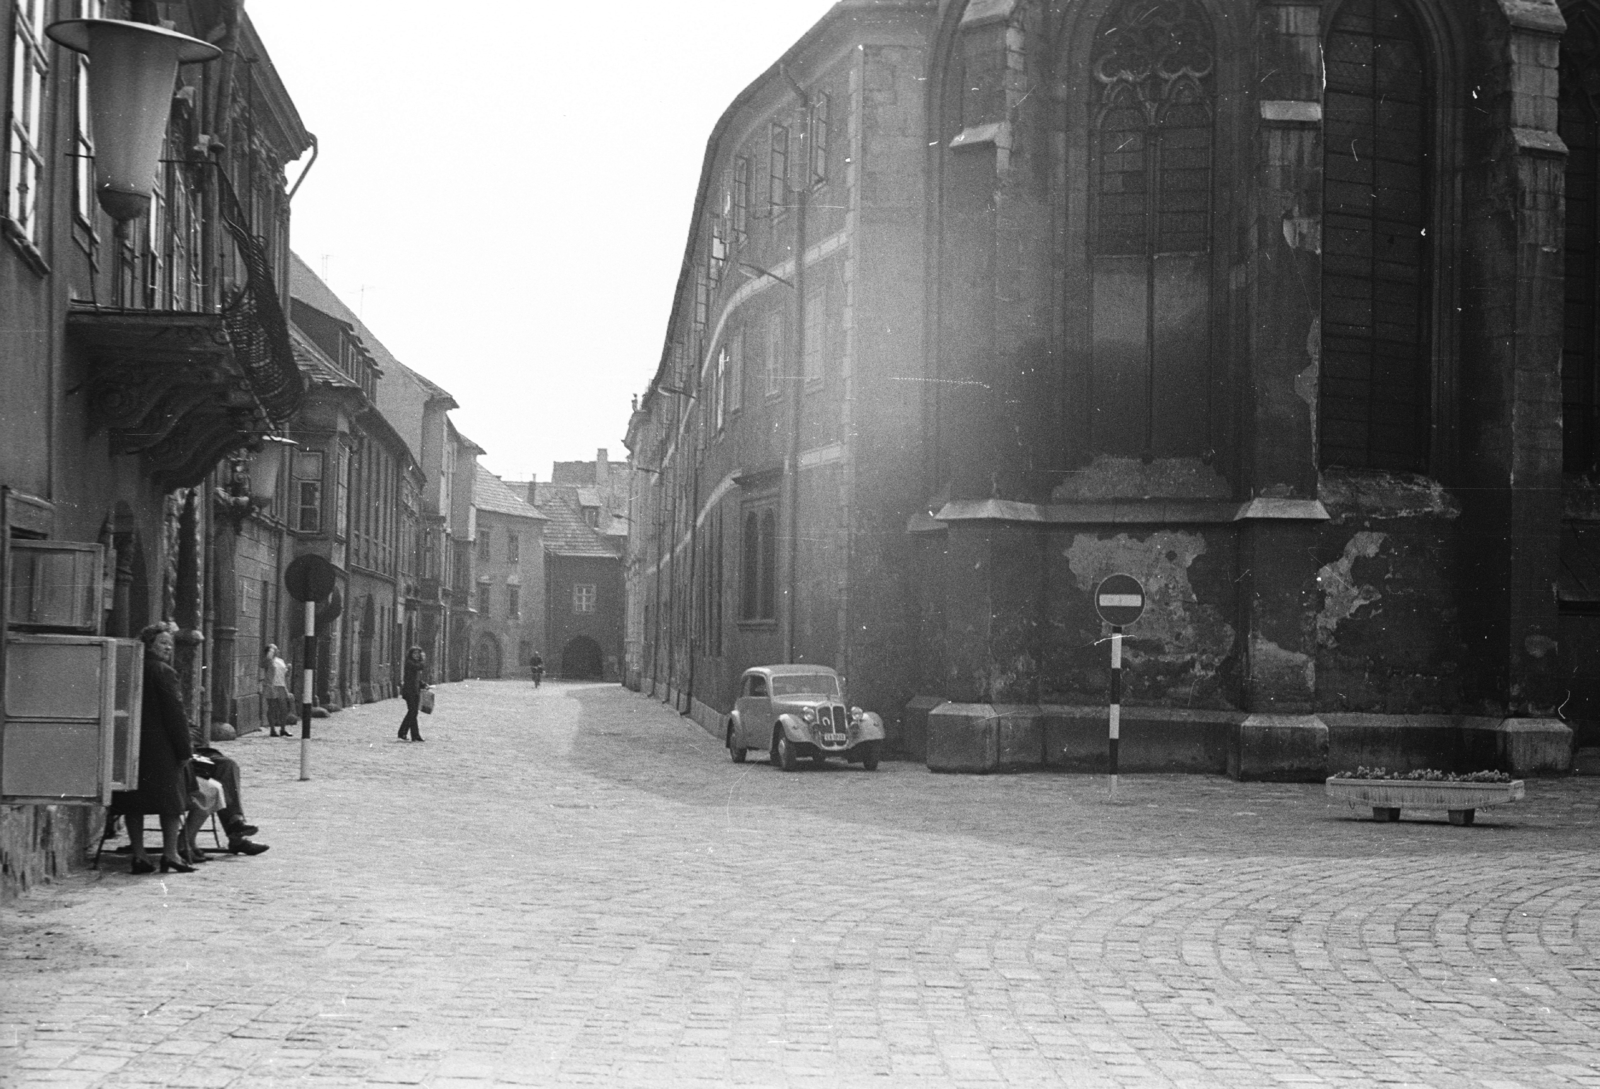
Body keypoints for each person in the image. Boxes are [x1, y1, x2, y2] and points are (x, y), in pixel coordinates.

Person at [109, 622, 196, 874]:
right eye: (163, 643)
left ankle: (139, 855)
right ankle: (170, 854)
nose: (168, 648)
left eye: (170, 643)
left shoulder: (130, 667)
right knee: (171, 801)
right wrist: (184, 750)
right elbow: (175, 714)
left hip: (130, 743)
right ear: (149, 645)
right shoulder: (163, 671)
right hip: (160, 747)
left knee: (132, 799)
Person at [398, 645, 428, 742]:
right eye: (415, 653)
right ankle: (403, 732)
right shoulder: (410, 663)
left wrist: (422, 684)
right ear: (411, 654)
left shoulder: (414, 663)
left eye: (418, 654)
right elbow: (420, 666)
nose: (417, 655)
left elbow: (415, 679)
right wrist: (423, 659)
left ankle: (414, 735)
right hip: (409, 691)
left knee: (413, 712)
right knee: (413, 712)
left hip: (415, 691)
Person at [262, 644, 291, 737]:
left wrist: (289, 670)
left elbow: (285, 674)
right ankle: (272, 730)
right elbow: (268, 659)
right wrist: (271, 649)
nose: (277, 650)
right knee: (272, 708)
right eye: (274, 649)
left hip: (281, 686)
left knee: (284, 708)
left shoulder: (280, 660)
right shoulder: (268, 660)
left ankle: (283, 729)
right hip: (271, 686)